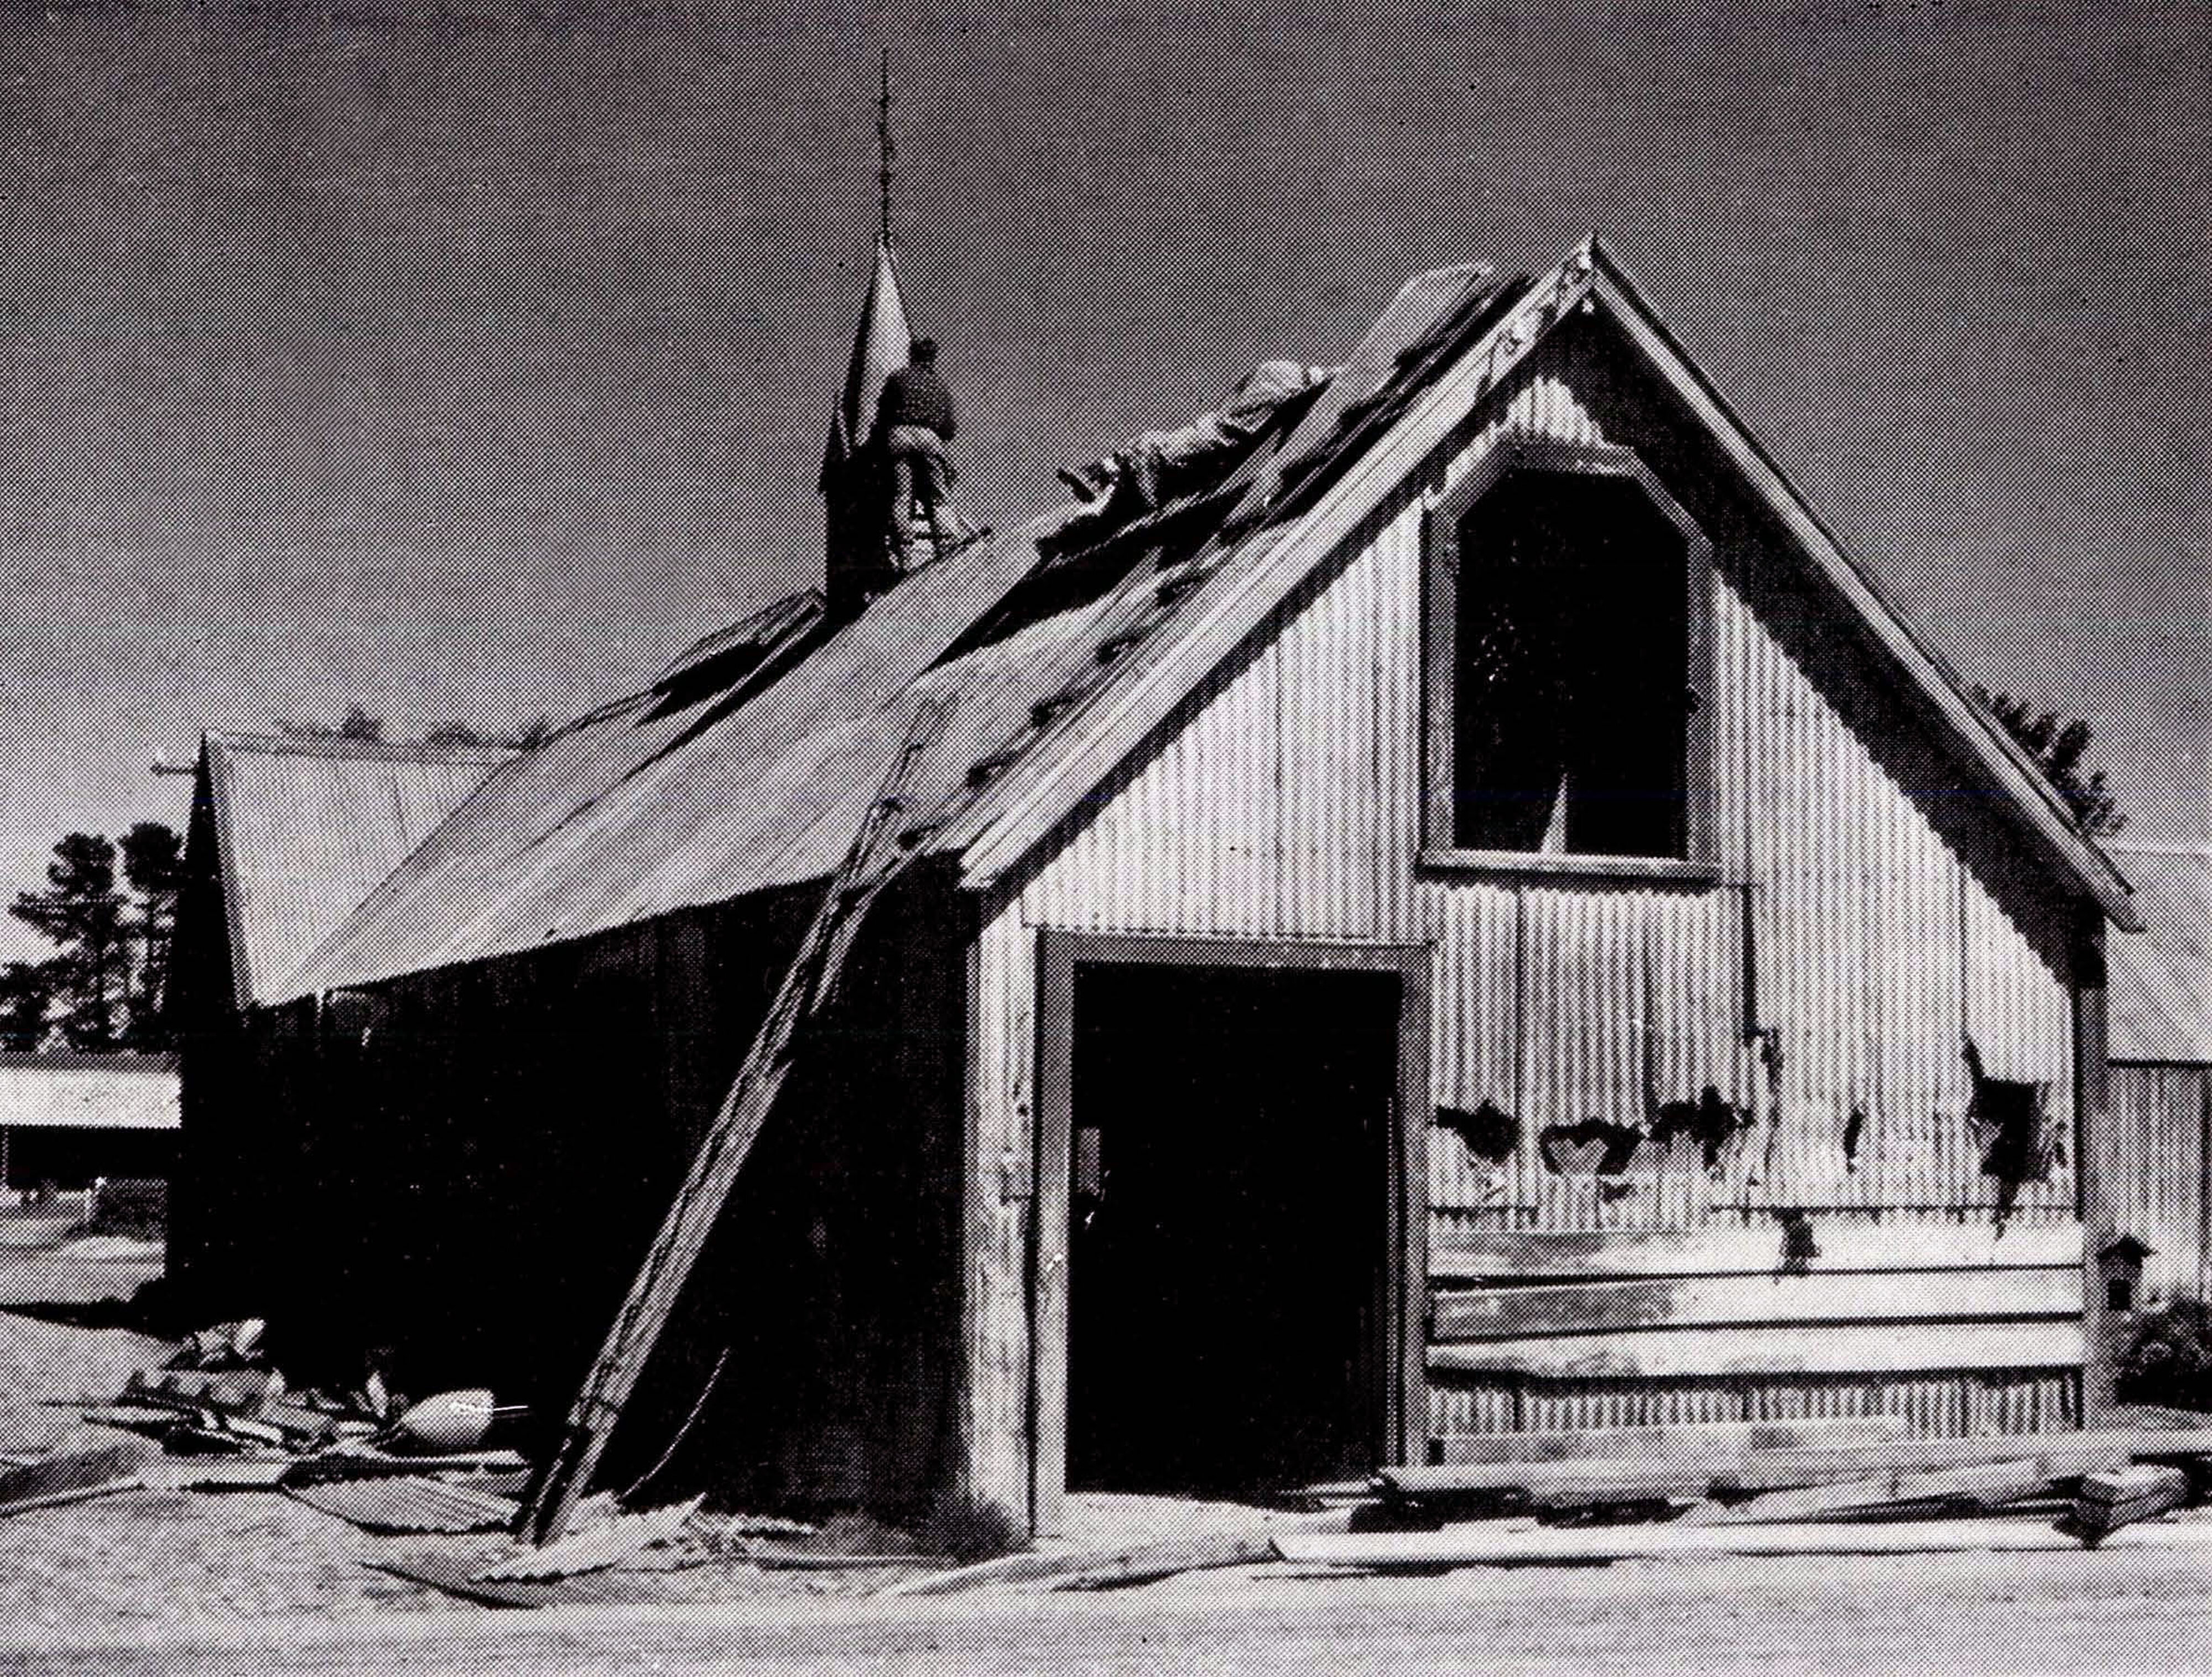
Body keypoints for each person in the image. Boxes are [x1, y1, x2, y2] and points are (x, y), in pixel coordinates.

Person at [874, 338, 973, 571]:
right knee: (939, 496)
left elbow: (882, 414)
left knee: (902, 498)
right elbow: (949, 428)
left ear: (912, 356)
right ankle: (947, 546)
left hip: (899, 437)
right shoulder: (940, 386)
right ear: (933, 358)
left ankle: (905, 557)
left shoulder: (897, 378)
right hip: (930, 438)